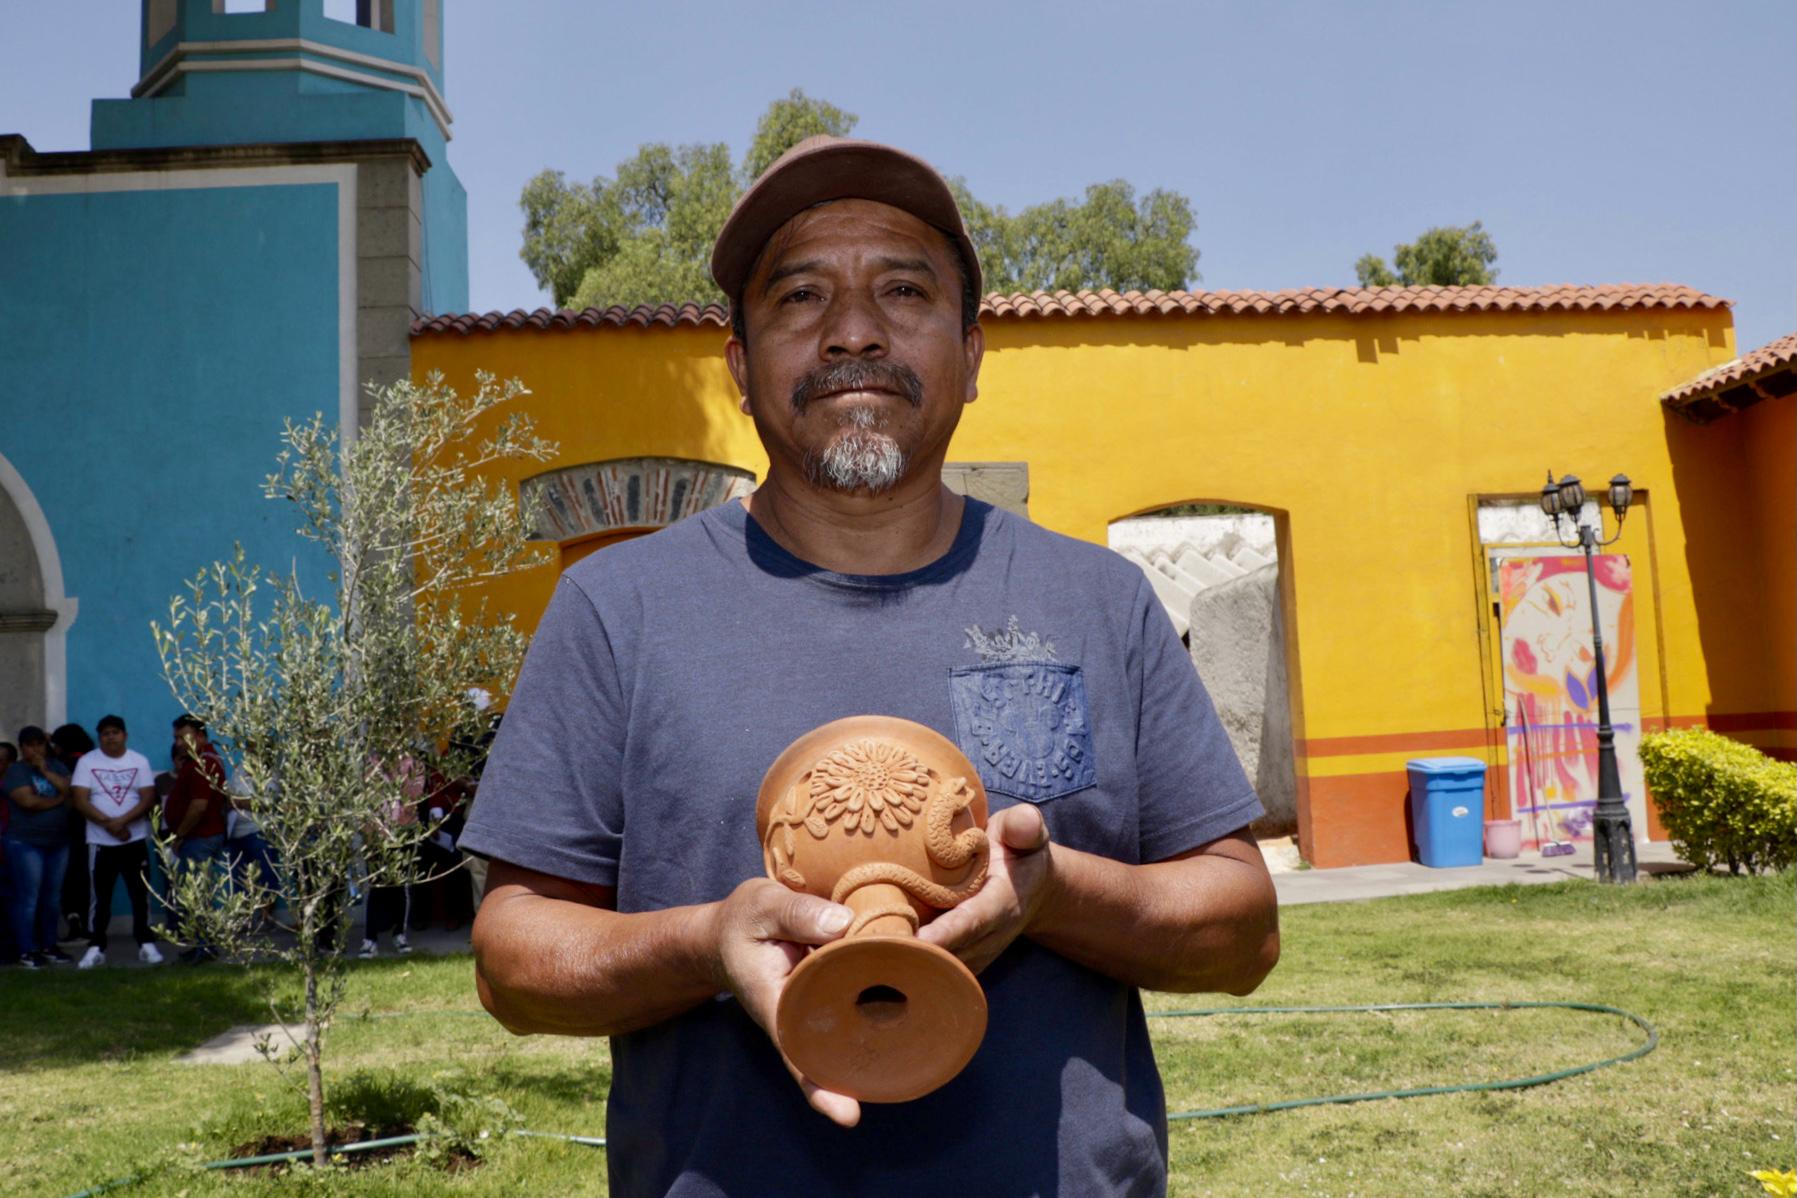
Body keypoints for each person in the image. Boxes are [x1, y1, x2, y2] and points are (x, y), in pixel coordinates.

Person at [462, 137, 1281, 1195]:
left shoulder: (1099, 600)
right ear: (739, 367)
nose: (853, 331)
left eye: (903, 290)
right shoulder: (618, 610)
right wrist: (708, 943)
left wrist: (1052, 895)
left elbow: (1243, 933)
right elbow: (512, 963)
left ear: (973, 355)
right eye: (801, 296)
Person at [69, 715, 163, 967]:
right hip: (100, 843)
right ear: (100, 737)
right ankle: (96, 946)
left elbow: (147, 798)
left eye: (115, 732)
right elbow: (80, 800)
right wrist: (109, 824)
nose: (110, 737)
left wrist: (122, 822)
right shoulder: (87, 762)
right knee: (100, 898)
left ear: (125, 735)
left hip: (135, 840)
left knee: (140, 894)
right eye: (105, 733)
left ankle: (146, 943)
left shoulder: (139, 761)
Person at [4, 726, 75, 967]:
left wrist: (45, 771)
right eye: (30, 745)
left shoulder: (56, 766)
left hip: (58, 842)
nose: (36, 749)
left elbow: (70, 790)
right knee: (28, 898)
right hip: (25, 842)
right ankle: (26, 949)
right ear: (22, 747)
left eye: (40, 744)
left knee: (52, 898)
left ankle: (49, 945)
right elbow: (28, 801)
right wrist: (58, 799)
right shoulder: (15, 771)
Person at [165, 715, 228, 963]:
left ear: (200, 736)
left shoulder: (205, 762)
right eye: (176, 738)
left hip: (199, 838)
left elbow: (199, 806)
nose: (178, 743)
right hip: (198, 837)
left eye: (183, 737)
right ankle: (201, 944)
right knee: (196, 894)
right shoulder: (198, 760)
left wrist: (180, 835)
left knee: (198, 894)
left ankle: (205, 947)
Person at [51, 722, 95, 943]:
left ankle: (74, 923)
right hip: (88, 828)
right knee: (84, 877)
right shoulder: (91, 761)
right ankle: (85, 924)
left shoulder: (64, 765)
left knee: (69, 879)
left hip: (68, 828)